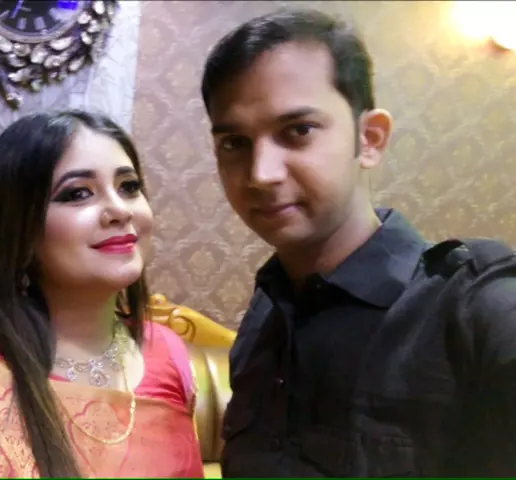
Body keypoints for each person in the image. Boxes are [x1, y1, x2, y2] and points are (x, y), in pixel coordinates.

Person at [200, 8, 516, 478]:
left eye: (298, 131)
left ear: (369, 139)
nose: (260, 174)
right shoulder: (265, 311)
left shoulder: (472, 303)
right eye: (234, 143)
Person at [0, 111, 204, 478]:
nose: (119, 210)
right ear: (20, 229)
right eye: (78, 193)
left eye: (128, 186)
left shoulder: (167, 353)